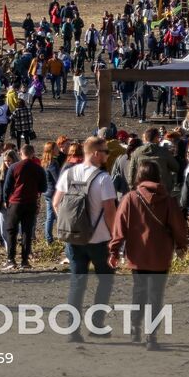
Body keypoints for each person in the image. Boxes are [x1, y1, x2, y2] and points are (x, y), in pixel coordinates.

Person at [109, 161, 189, 349]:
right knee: (156, 296)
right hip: (161, 255)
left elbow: (119, 227)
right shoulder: (168, 200)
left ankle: (135, 326)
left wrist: (114, 250)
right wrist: (181, 245)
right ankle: (151, 336)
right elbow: (178, 226)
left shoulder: (130, 198)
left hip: (137, 254)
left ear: (139, 176)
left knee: (139, 292)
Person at [52, 137, 118, 343]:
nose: (107, 155)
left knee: (77, 283)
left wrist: (70, 225)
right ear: (96, 153)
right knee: (105, 281)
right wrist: (115, 236)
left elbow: (56, 203)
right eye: (106, 151)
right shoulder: (104, 179)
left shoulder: (68, 173)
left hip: (73, 238)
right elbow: (110, 211)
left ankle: (73, 330)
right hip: (99, 239)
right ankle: (97, 325)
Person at [2, 144, 47, 270]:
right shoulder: (38, 169)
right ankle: (25, 260)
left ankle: (11, 258)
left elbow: (7, 187)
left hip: (16, 202)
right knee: (27, 231)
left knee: (11, 230)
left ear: (21, 154)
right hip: (31, 202)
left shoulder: (14, 167)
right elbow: (44, 187)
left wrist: (6, 200)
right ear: (32, 154)